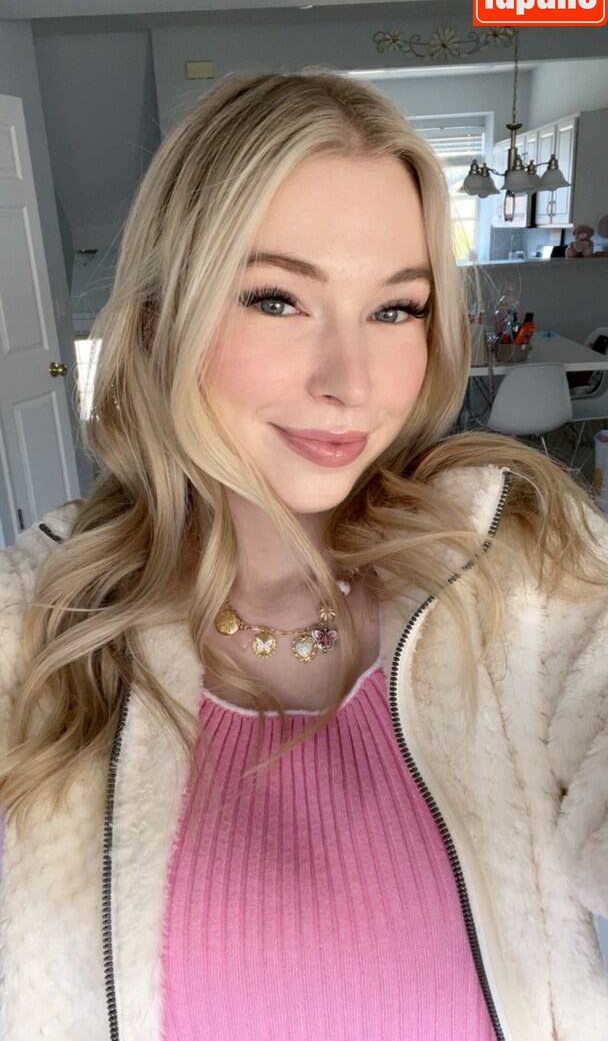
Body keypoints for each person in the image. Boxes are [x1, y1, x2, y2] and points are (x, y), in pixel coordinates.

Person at [0, 68, 607, 1041]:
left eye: (396, 309)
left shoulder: (521, 563)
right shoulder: (35, 620)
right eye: (278, 299)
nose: (351, 382)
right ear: (161, 318)